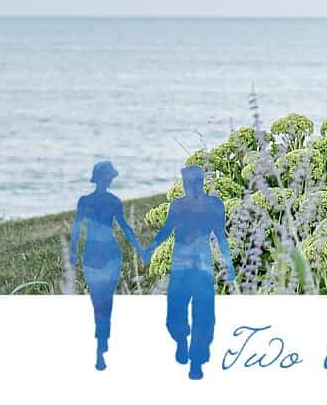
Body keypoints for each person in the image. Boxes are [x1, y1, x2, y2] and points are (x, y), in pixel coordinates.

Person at [141, 165, 236, 380]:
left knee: (203, 316)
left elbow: (221, 237)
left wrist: (229, 265)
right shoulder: (178, 206)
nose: (189, 186)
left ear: (201, 182)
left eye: (193, 182)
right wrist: (150, 248)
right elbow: (166, 231)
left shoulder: (214, 206)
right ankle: (181, 340)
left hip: (202, 267)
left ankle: (196, 362)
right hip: (180, 266)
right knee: (174, 315)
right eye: (186, 183)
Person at [69, 160, 147, 371]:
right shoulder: (110, 201)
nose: (112, 179)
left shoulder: (90, 201)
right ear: (104, 177)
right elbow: (123, 228)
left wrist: (140, 250)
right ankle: (101, 344)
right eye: (110, 176)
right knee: (103, 301)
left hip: (99, 253)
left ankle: (101, 345)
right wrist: (72, 252)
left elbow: (78, 229)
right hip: (103, 253)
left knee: (101, 300)